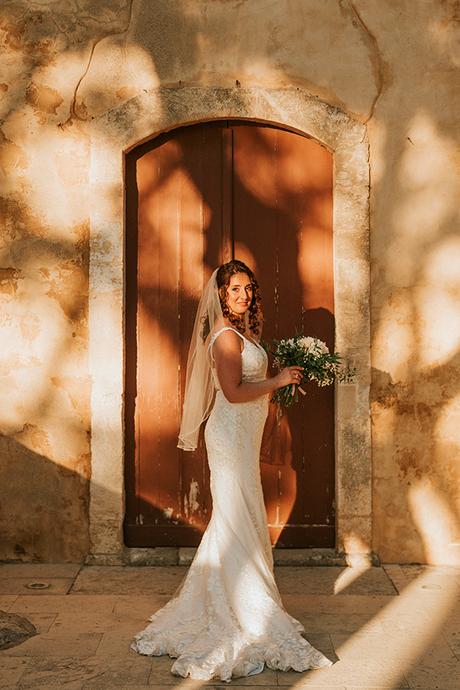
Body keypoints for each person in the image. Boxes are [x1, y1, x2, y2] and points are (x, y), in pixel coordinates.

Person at [130, 259, 334, 681]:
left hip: (243, 436)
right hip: (228, 438)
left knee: (238, 518)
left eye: (248, 289)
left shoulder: (243, 332)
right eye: (235, 289)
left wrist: (281, 384)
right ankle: (246, 610)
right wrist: (276, 382)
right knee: (235, 517)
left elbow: (251, 389)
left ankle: (243, 600)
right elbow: (234, 393)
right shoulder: (224, 336)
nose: (244, 296)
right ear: (221, 294)